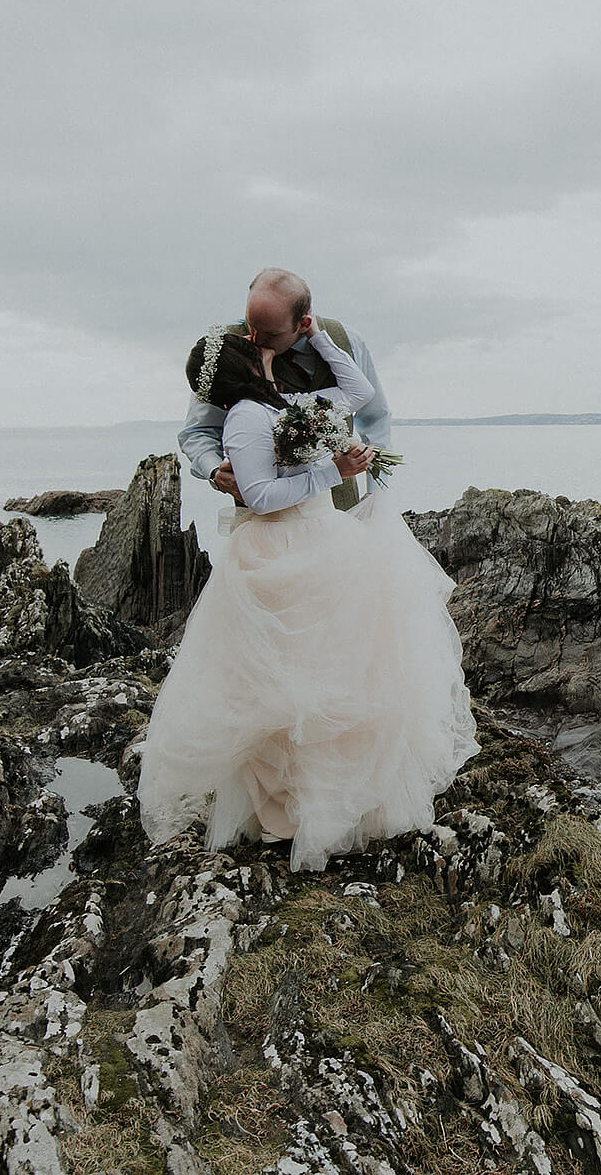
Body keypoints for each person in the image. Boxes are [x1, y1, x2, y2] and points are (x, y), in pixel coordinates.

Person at [137, 316, 478, 871]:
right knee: (283, 678)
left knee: (340, 664)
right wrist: (223, 472)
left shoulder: (329, 346)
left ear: (297, 320)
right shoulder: (237, 384)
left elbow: (367, 406)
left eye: (264, 329)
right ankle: (288, 805)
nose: (255, 336)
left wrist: (373, 495)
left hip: (326, 528)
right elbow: (230, 463)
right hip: (282, 539)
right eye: (251, 330)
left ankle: (336, 791)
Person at [178, 268, 393, 512]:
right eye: (251, 324)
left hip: (342, 509)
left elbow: (374, 415)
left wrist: (376, 497)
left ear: (303, 323)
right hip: (270, 526)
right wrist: (215, 471)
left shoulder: (346, 341)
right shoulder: (227, 352)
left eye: (270, 333)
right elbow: (199, 431)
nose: (256, 339)